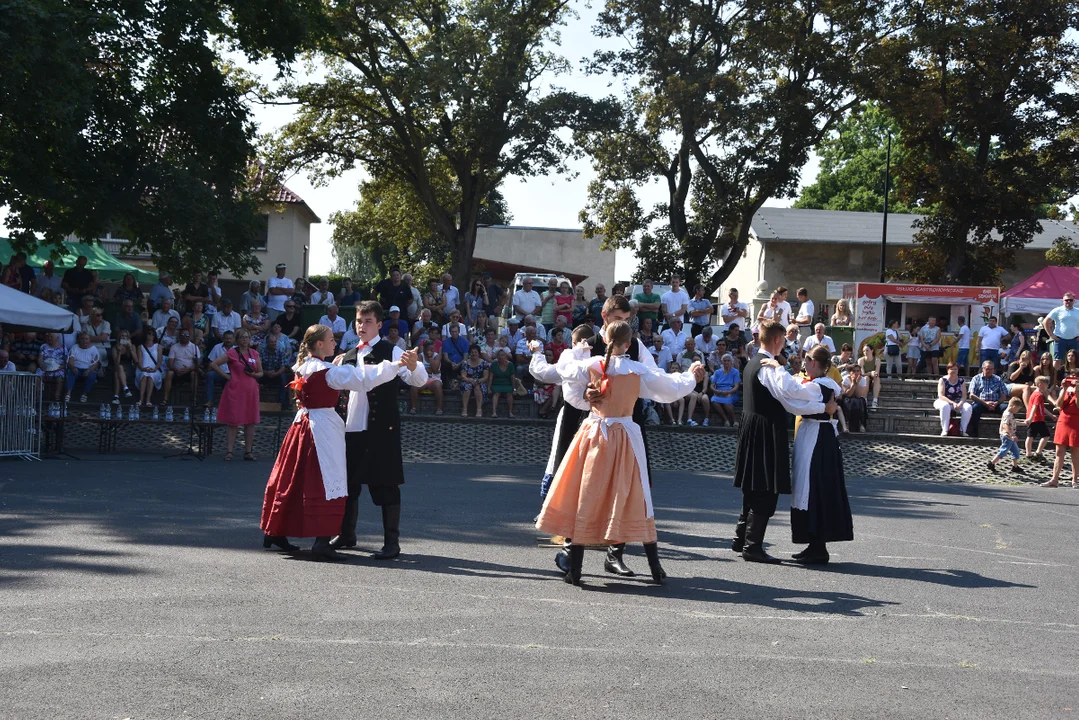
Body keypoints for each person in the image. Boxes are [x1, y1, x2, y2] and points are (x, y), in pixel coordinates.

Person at [537, 320, 705, 585]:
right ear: (629, 343)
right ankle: (655, 567)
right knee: (637, 496)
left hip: (594, 434)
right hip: (625, 436)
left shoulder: (591, 365)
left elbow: (565, 372)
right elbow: (669, 388)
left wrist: (579, 352)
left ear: (605, 340)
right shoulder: (637, 370)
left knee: (586, 495)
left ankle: (576, 570)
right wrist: (691, 375)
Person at [261, 324, 417, 561]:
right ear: (320, 344)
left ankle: (275, 531)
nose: (335, 343)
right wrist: (396, 365)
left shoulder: (303, 366)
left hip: (301, 426)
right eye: (331, 339)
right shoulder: (328, 372)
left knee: (293, 479)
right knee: (325, 480)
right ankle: (322, 541)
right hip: (321, 429)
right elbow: (364, 378)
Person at [327, 302, 428, 558]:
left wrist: (415, 365)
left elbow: (419, 380)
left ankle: (391, 543)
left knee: (385, 484)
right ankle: (347, 533)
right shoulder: (347, 355)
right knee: (348, 485)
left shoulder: (392, 351)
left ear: (380, 324)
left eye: (368, 321)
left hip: (382, 430)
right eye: (359, 321)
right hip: (350, 430)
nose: (362, 326)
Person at [732, 319, 835, 564]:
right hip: (764, 430)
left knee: (752, 486)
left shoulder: (752, 363)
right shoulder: (768, 367)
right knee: (765, 489)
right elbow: (791, 397)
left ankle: (741, 538)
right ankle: (752, 545)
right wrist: (823, 406)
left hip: (750, 428)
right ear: (777, 340)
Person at [788, 344, 853, 564]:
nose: (804, 365)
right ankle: (814, 543)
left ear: (814, 362)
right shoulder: (820, 385)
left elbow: (796, 401)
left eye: (806, 360)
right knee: (813, 486)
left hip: (817, 439)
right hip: (815, 436)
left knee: (814, 487)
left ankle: (818, 545)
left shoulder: (819, 385)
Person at [210, 328, 262, 462]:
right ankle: (229, 451)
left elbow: (261, 372)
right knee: (233, 421)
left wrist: (254, 375)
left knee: (250, 421)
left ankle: (248, 451)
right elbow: (214, 364)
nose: (245, 339)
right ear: (237, 340)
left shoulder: (255, 353)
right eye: (242, 337)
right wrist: (227, 377)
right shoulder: (232, 353)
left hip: (251, 390)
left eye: (247, 337)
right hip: (236, 389)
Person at [1041, 372, 1079, 488]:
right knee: (1059, 451)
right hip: (1063, 420)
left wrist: (1077, 391)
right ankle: (1054, 479)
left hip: (1076, 421)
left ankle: (1074, 480)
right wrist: (1064, 388)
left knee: (1075, 452)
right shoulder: (1066, 389)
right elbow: (1058, 405)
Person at [968, 360, 1008, 437]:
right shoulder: (976, 378)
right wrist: (985, 403)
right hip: (981, 403)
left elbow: (1004, 396)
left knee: (1006, 408)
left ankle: (1005, 432)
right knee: (975, 408)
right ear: (982, 369)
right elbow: (971, 395)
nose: (989, 371)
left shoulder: (998, 379)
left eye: (991, 369)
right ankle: (974, 432)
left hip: (995, 404)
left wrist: (996, 403)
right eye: (987, 369)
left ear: (994, 370)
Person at [987, 398, 1026, 475]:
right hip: (1007, 436)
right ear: (1013, 406)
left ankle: (1014, 466)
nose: (1017, 411)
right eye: (1017, 409)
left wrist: (1024, 423)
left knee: (1015, 451)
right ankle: (992, 463)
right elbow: (1006, 425)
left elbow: (1013, 423)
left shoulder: (1010, 414)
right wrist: (1012, 435)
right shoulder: (1007, 414)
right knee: (1003, 450)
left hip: (1010, 437)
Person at [934, 362, 973, 436]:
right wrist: (952, 403)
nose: (954, 371)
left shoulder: (961, 380)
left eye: (955, 369)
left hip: (958, 401)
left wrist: (960, 403)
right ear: (948, 370)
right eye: (951, 369)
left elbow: (964, 396)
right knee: (945, 406)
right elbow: (941, 395)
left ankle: (963, 430)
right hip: (943, 401)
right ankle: (945, 430)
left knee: (968, 407)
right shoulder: (943, 380)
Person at [1045, 292, 1079, 371]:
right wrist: (1052, 336)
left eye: (1071, 300)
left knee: (1076, 360)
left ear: (1074, 301)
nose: (1068, 302)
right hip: (1060, 339)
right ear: (1063, 301)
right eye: (1066, 300)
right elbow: (1046, 322)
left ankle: (1075, 379)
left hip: (1075, 339)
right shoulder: (1057, 310)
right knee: (1057, 360)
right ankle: (1054, 381)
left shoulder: (1078, 311)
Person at [163, 331, 200, 404]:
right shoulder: (174, 347)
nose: (185, 337)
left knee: (194, 374)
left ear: (189, 336)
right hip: (176, 371)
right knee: (169, 373)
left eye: (187, 335)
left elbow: (198, 363)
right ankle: (165, 399)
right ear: (179, 336)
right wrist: (176, 370)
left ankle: (194, 399)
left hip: (189, 371)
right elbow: (170, 364)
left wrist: (189, 369)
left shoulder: (194, 347)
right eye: (182, 335)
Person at [1025, 376, 1056, 462]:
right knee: (1045, 436)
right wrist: (1031, 417)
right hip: (1037, 419)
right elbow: (1035, 407)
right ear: (1040, 385)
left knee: (1030, 436)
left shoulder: (1035, 394)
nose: (1047, 387)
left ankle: (1029, 453)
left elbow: (1041, 407)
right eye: (1046, 385)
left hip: (1036, 419)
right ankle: (1037, 452)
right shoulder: (1038, 395)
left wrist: (1051, 415)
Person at [259, 331, 293, 407]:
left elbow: (283, 367)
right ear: (267, 343)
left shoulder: (280, 351)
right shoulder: (262, 351)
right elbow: (259, 365)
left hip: (277, 374)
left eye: (275, 342)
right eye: (271, 342)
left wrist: (275, 373)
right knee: (255, 378)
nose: (274, 343)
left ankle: (282, 403)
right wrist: (266, 372)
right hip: (264, 373)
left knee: (283, 378)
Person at [64, 332, 100, 403]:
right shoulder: (75, 347)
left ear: (89, 340)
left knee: (91, 376)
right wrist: (73, 367)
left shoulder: (93, 349)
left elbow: (96, 363)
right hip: (77, 368)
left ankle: (85, 394)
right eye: (82, 339)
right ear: (79, 340)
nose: (84, 340)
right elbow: (70, 360)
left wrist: (89, 370)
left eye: (86, 339)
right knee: (70, 373)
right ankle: (68, 394)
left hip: (88, 368)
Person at [710, 353, 741, 427]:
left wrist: (729, 392)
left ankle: (735, 420)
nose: (726, 362)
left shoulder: (735, 372)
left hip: (731, 392)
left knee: (727, 402)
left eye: (728, 360)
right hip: (719, 391)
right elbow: (712, 385)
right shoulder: (717, 372)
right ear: (722, 362)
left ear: (731, 362)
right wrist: (716, 391)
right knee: (713, 399)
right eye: (724, 361)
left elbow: (736, 386)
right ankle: (726, 420)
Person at [459, 344, 491, 417]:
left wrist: (477, 381)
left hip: (480, 381)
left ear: (479, 353)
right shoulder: (465, 363)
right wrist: (470, 380)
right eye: (472, 352)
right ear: (470, 353)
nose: (474, 354)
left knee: (477, 387)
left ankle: (479, 409)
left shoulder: (484, 363)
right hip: (467, 381)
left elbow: (486, 377)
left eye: (475, 352)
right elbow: (463, 376)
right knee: (467, 387)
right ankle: (464, 409)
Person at [204, 330, 234, 407]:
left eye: (230, 338)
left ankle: (230, 403)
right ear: (223, 339)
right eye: (226, 338)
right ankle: (209, 401)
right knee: (210, 375)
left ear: (234, 339)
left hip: (232, 375)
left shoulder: (237, 349)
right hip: (219, 373)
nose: (228, 340)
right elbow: (211, 362)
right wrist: (207, 372)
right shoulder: (217, 347)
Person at [839, 365, 869, 434]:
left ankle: (861, 423)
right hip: (846, 398)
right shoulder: (845, 379)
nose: (856, 373)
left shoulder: (862, 380)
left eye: (858, 371)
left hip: (857, 398)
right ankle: (846, 422)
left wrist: (857, 383)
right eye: (854, 371)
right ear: (850, 372)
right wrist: (853, 383)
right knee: (848, 401)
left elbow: (859, 395)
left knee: (861, 401)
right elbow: (848, 394)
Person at [489, 349, 517, 418]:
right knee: (496, 393)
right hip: (497, 384)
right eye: (499, 355)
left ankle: (510, 412)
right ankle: (494, 412)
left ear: (505, 356)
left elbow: (513, 378)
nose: (500, 357)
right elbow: (490, 377)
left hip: (507, 384)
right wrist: (488, 388)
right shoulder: (494, 364)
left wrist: (514, 389)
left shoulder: (510, 365)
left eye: (502, 355)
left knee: (509, 394)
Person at [39, 332, 67, 401]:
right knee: (37, 374)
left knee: (60, 376)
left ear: (57, 338)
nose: (49, 338)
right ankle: (38, 394)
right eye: (48, 336)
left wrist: (60, 367)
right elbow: (40, 358)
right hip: (45, 367)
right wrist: (41, 365)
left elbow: (66, 361)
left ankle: (57, 396)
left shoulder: (63, 348)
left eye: (51, 337)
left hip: (58, 368)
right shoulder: (44, 346)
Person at [859, 344, 882, 410]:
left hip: (873, 380)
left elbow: (877, 373)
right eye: (864, 351)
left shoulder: (877, 360)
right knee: (866, 378)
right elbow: (862, 374)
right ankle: (864, 401)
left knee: (877, 379)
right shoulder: (861, 360)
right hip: (864, 379)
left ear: (872, 350)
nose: (865, 352)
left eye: (867, 350)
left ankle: (875, 401)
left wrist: (874, 374)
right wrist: (870, 373)